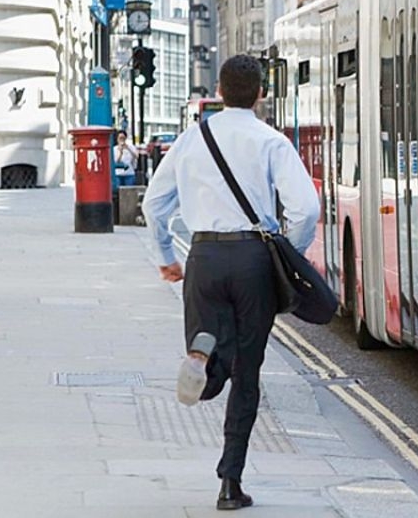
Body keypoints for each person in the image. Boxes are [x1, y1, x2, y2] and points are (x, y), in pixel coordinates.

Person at [141, 55, 319, 511]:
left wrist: (165, 257)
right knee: (248, 372)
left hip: (201, 255)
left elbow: (154, 205)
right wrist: (286, 250)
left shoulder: (189, 140)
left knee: (214, 357)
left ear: (219, 91)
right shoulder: (271, 141)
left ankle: (203, 361)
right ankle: (229, 482)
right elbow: (306, 209)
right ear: (261, 93)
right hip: (252, 259)